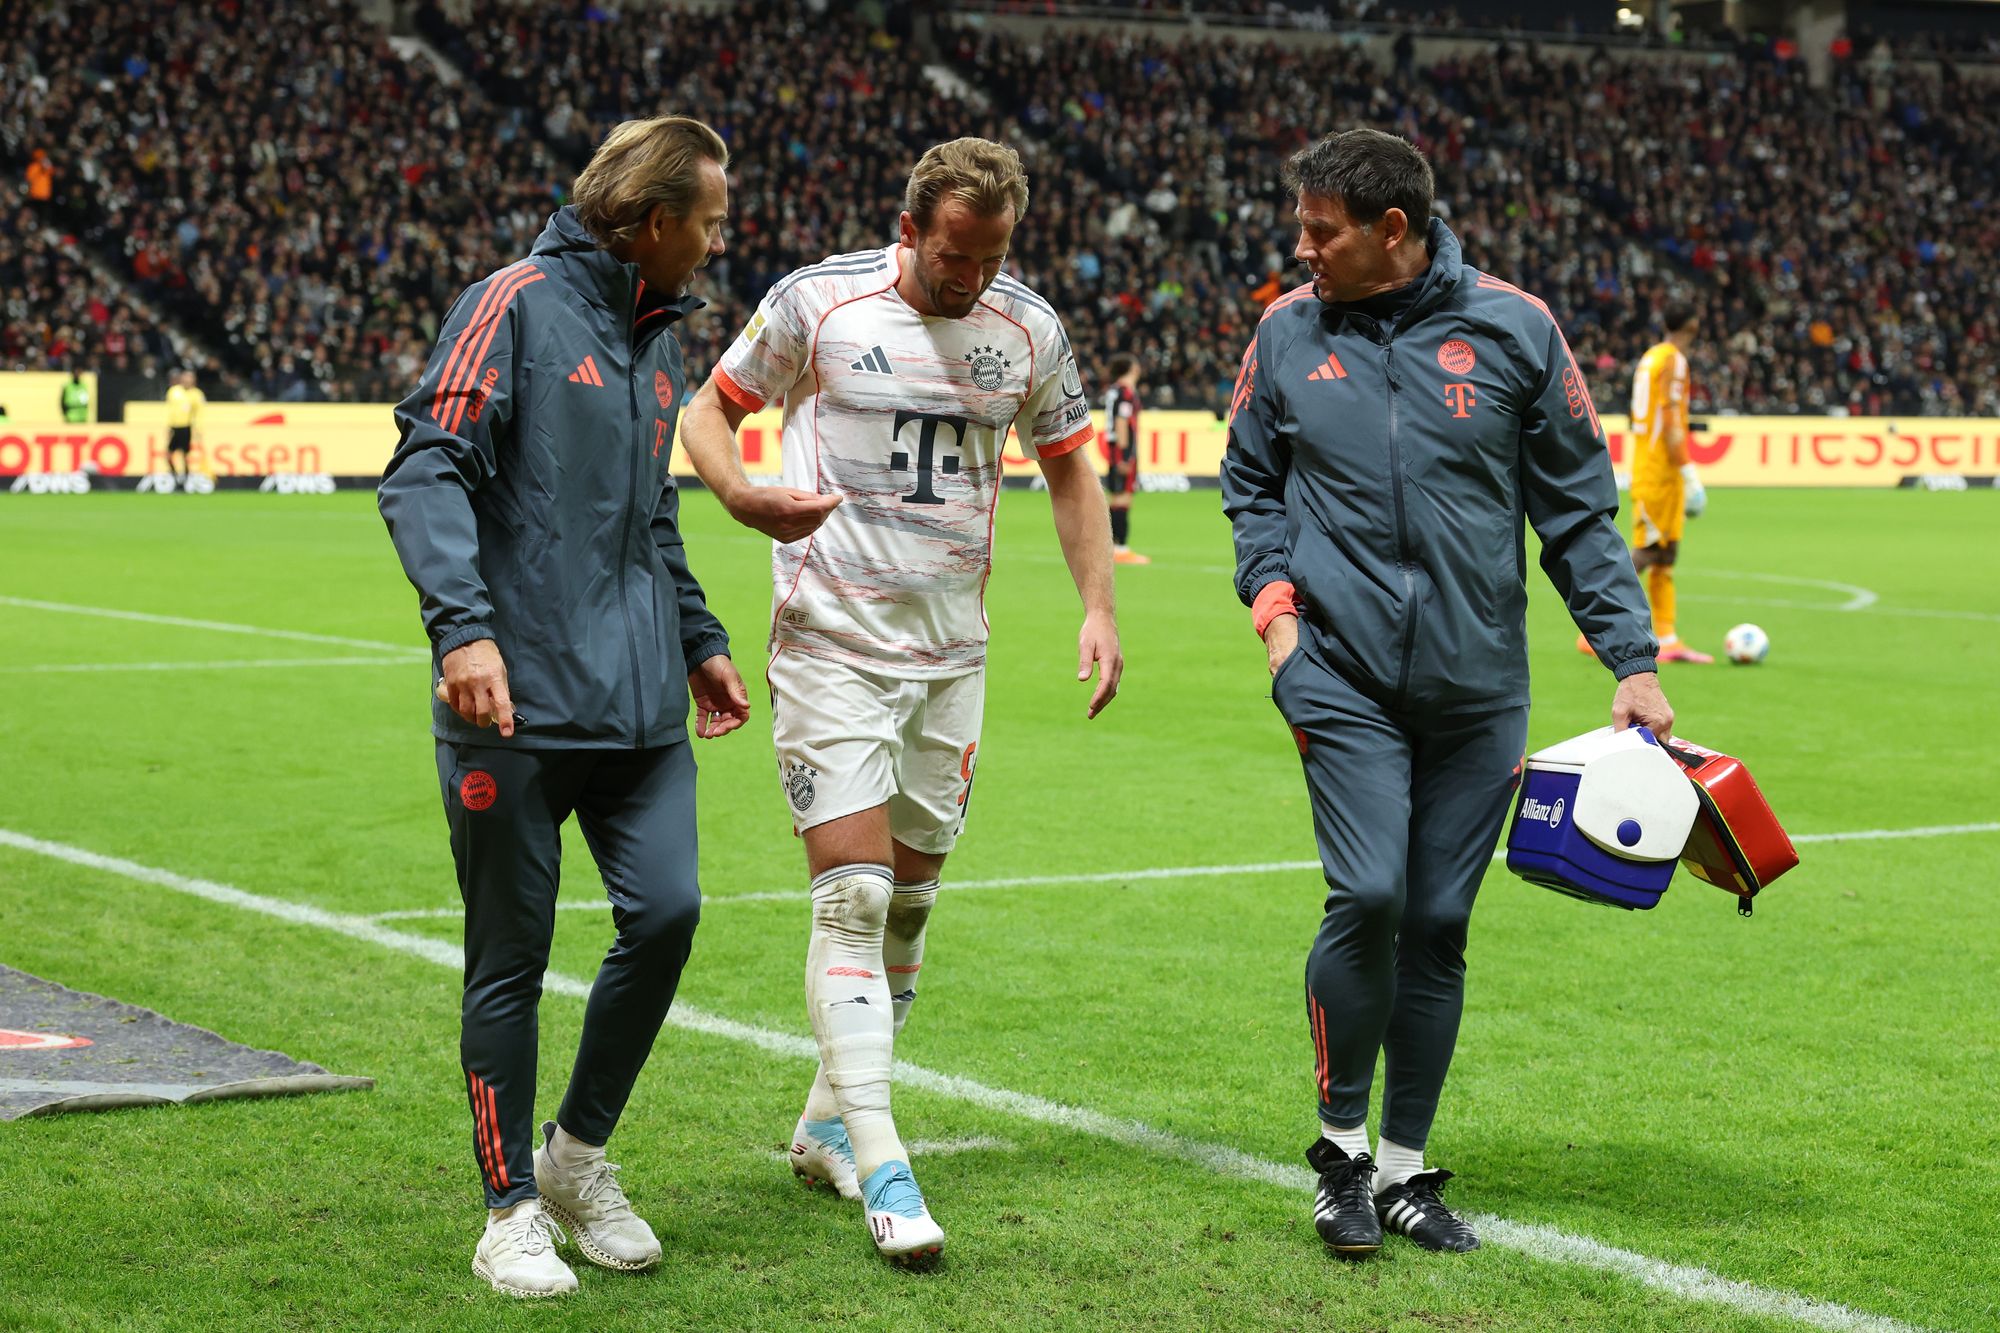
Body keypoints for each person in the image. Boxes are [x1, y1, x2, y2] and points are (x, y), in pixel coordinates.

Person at [1220, 129, 1673, 1260]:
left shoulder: (1515, 329)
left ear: (1391, 231)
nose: (1298, 247)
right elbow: (1248, 485)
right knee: (1366, 893)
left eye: (1318, 230)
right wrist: (1276, 618)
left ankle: (1408, 1169)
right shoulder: (1283, 333)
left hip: (1479, 687)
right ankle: (1338, 1155)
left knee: (1436, 922)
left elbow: (1574, 512)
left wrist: (1631, 659)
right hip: (1337, 672)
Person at [679, 136, 1122, 1270]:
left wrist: (1097, 606)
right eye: (953, 253)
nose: (969, 276)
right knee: (853, 901)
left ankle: (826, 1124)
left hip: (950, 657)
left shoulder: (1024, 329)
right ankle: (885, 1166)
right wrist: (737, 494)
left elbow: (1070, 460)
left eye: (990, 256)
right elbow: (706, 412)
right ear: (913, 226)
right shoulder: (819, 304)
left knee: (912, 908)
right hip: (830, 643)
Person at [378, 115, 749, 1300]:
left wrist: (699, 641)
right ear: (652, 222)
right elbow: (427, 462)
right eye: (710, 216)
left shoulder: (655, 345)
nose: (717, 236)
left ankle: (576, 1161)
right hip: (516, 708)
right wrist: (462, 629)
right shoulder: (515, 303)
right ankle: (507, 1212)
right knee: (511, 959)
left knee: (670, 914)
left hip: (638, 709)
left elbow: (651, 516)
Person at [1621, 304, 1711, 663]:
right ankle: (1591, 631)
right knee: (1648, 549)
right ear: (1693, 323)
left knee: (1665, 552)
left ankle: (1668, 637)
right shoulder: (1674, 361)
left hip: (1651, 462)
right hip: (1660, 468)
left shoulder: (1650, 357)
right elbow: (1672, 422)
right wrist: (1688, 472)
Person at [1101, 352, 1148, 564]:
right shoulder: (1126, 392)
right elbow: (1121, 422)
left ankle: (1109, 546)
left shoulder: (1115, 391)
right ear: (1132, 368)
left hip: (1114, 449)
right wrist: (1125, 455)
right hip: (1122, 450)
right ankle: (1120, 549)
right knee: (1122, 498)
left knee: (1117, 497)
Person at [163, 369, 205, 489]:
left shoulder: (197, 394)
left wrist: (198, 429)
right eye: (186, 377)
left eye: (190, 378)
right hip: (174, 427)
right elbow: (169, 411)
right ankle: (175, 476)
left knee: (185, 455)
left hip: (186, 427)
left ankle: (185, 480)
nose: (187, 380)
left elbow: (199, 413)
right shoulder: (173, 391)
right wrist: (168, 427)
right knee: (168, 455)